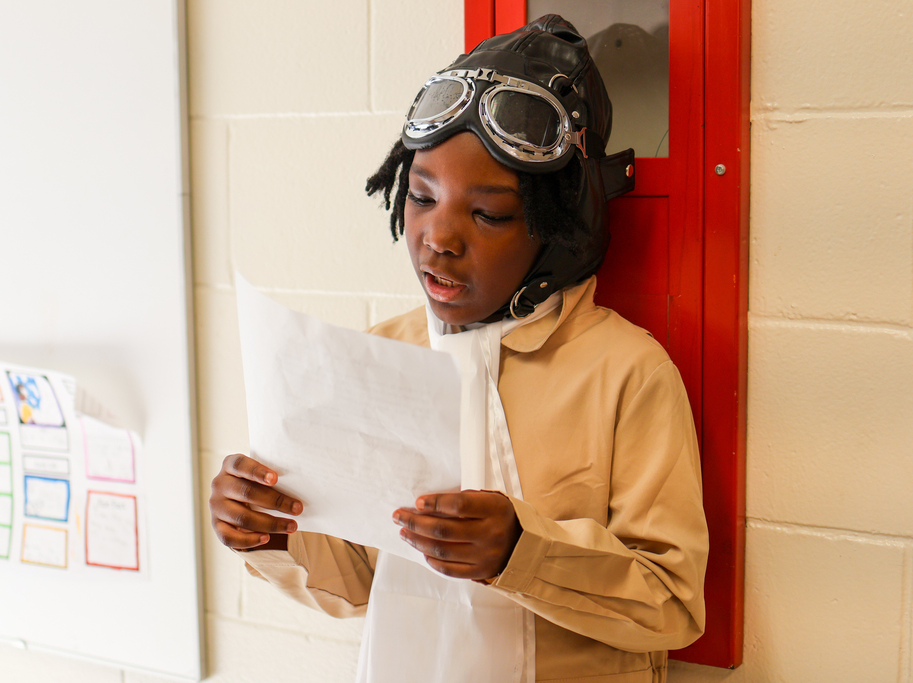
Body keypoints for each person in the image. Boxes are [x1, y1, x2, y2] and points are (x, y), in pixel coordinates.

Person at [210, 15, 707, 683]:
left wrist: (521, 551)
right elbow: (358, 581)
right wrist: (270, 530)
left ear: (558, 225)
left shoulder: (624, 371)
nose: (436, 238)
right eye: (420, 197)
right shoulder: (385, 355)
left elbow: (671, 604)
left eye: (488, 213)